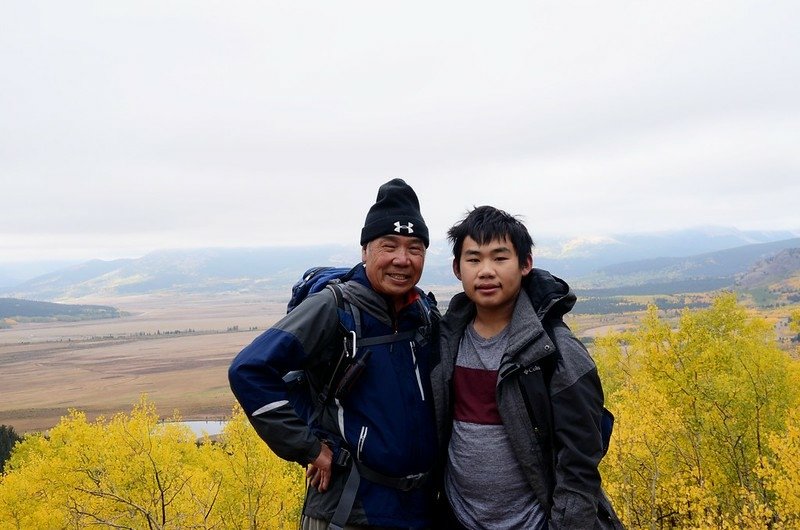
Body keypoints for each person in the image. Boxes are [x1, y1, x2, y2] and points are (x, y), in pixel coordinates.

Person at [228, 178, 438, 530]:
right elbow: (248, 370)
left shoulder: (424, 314)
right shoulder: (333, 307)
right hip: (349, 508)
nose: (402, 259)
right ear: (365, 251)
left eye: (415, 248)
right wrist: (308, 447)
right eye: (389, 245)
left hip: (416, 509)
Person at [431, 205, 623, 530]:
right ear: (456, 268)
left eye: (500, 257)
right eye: (474, 259)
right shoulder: (444, 342)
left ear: (525, 264)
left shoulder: (556, 351)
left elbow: (580, 463)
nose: (486, 270)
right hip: (457, 519)